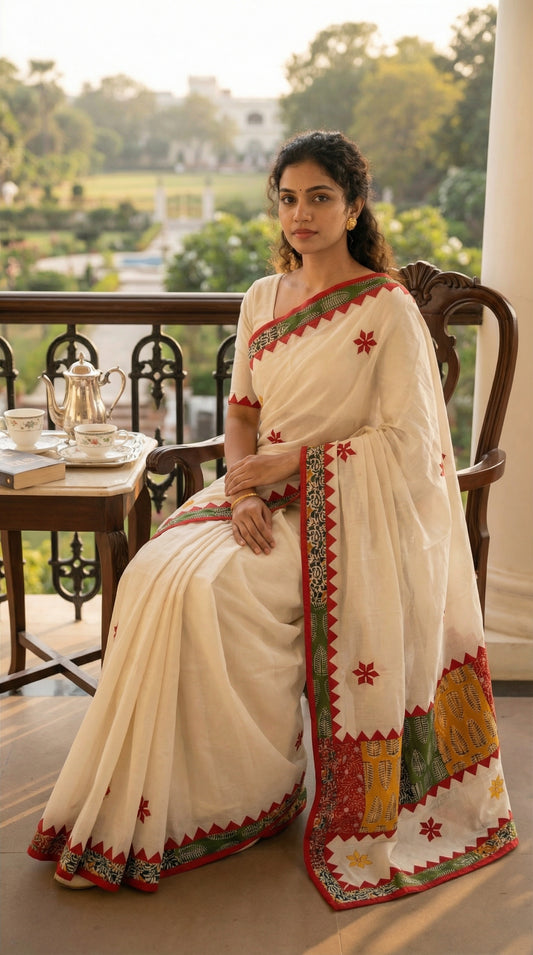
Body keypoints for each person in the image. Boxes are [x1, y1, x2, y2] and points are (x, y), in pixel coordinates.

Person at [28, 131, 517, 909]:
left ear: (354, 206)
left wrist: (290, 469)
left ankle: (247, 792)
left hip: (344, 514)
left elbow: (408, 443)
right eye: (287, 198)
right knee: (158, 572)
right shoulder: (263, 296)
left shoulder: (386, 307)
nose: (301, 214)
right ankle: (171, 795)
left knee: (212, 593)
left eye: (319, 197)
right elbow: (242, 411)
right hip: (253, 496)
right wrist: (246, 491)